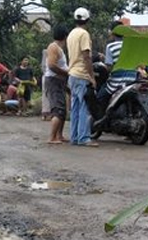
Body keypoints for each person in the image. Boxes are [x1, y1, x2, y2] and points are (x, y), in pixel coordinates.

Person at [67, 7, 98, 147]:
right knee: (84, 106)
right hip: (81, 74)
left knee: (75, 108)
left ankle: (74, 137)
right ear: (87, 20)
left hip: (72, 74)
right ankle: (84, 137)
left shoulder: (71, 34)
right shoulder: (84, 34)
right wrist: (92, 77)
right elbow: (86, 57)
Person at [97, 21, 139, 108]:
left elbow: (109, 68)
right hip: (132, 82)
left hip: (116, 84)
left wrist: (104, 64)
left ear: (112, 33)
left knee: (99, 98)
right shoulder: (133, 45)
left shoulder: (110, 47)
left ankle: (101, 119)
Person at [45, 26, 70, 144]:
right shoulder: (53, 47)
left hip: (60, 81)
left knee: (62, 109)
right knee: (57, 109)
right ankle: (51, 137)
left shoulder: (59, 49)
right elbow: (51, 65)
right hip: (54, 80)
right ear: (65, 37)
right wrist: (66, 73)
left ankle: (59, 135)